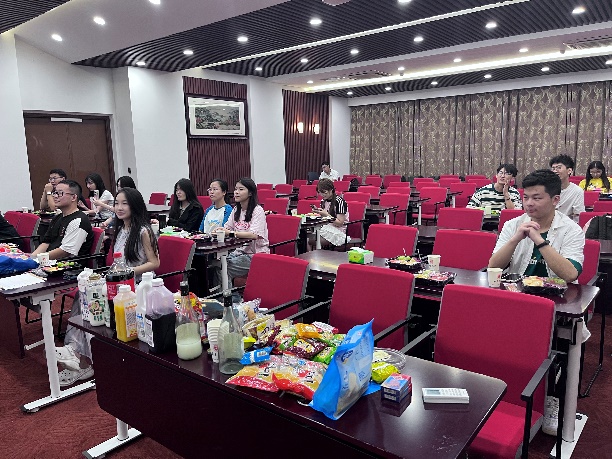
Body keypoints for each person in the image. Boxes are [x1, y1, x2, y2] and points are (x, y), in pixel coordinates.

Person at [56, 187, 160, 386]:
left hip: (137, 285)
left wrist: (127, 272)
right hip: (120, 282)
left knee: (94, 299)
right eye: (117, 203)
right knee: (84, 294)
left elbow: (155, 263)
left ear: (135, 205)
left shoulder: (143, 231)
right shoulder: (120, 229)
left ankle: (83, 359)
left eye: (124, 203)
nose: (119, 208)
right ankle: (78, 353)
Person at [489, 169, 584, 283]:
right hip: (518, 290)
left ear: (555, 200)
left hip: (556, 292)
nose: (529, 203)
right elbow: (493, 267)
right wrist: (514, 240)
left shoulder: (572, 230)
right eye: (525, 197)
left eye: (536, 198)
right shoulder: (512, 225)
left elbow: (570, 275)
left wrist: (539, 241)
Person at [216, 178, 269, 293]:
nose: (236, 192)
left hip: (256, 255)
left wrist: (230, 233)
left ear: (250, 193)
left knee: (224, 268)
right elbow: (228, 227)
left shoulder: (257, 210)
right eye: (235, 189)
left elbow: (254, 235)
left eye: (241, 189)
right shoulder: (236, 209)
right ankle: (226, 298)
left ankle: (232, 300)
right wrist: (220, 230)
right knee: (215, 265)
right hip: (238, 253)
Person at [31, 180, 94, 260]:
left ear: (73, 197)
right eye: (55, 193)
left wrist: (38, 259)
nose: (55, 196)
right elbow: (46, 242)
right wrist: (32, 258)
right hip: (48, 261)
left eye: (60, 193)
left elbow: (65, 252)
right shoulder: (57, 217)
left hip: (68, 265)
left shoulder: (79, 221)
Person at [310, 178, 350, 248]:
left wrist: (326, 215)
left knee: (312, 240)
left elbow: (340, 223)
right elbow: (324, 218)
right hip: (326, 227)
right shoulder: (323, 201)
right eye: (320, 192)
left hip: (338, 231)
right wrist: (319, 212)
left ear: (331, 190)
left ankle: (318, 254)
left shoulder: (339, 201)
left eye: (324, 192)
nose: (322, 195)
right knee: (306, 238)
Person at [549, 154, 584, 222]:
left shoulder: (577, 191)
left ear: (569, 171)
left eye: (559, 168)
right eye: (553, 168)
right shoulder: (546, 188)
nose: (555, 171)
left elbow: (578, 216)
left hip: (567, 225)